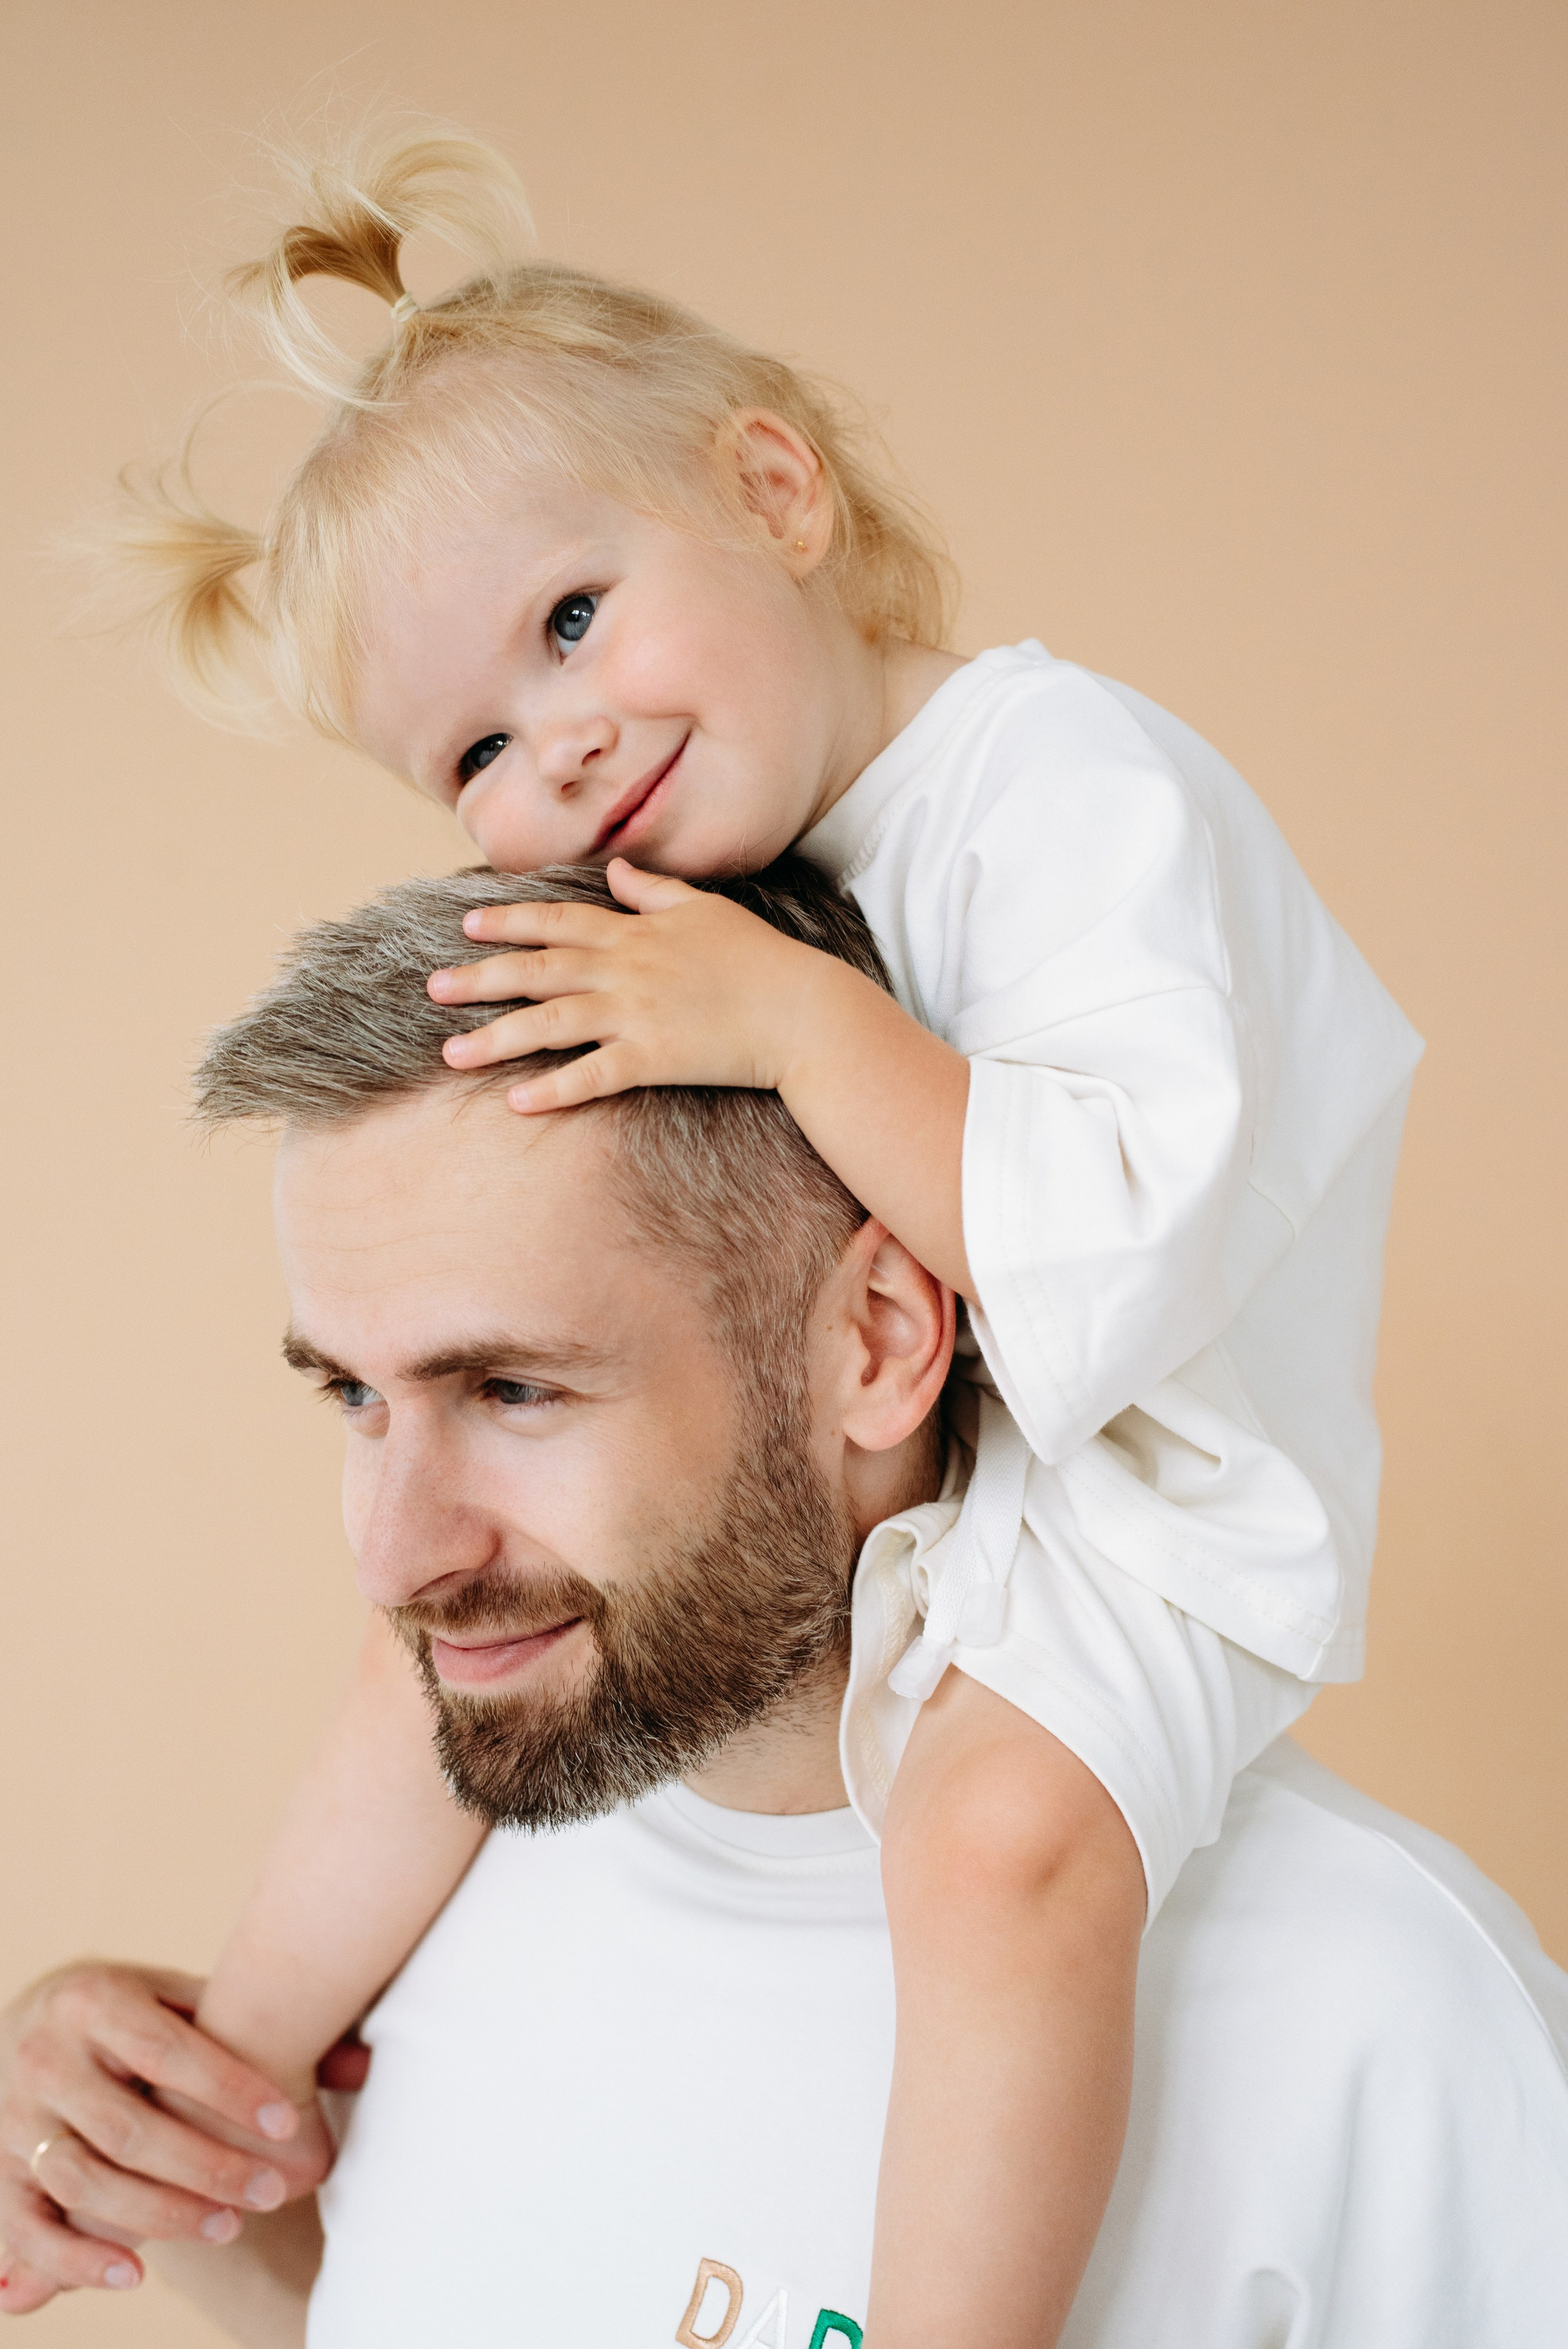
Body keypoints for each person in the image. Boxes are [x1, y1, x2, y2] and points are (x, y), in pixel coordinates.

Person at [88, 124, 1428, 2345]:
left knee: (993, 1848)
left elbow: (1118, 1236)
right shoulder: (761, 858)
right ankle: (211, 2086)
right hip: (969, 1461)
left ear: (779, 493)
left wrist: (789, 1021)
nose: (560, 747)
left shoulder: (1060, 781)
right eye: (476, 748)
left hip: (1150, 1486)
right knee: (440, 1642)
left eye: (574, 619)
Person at [2, 863, 1564, 2349]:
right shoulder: (433, 1855)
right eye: (354, 1394)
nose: (396, 1556)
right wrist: (133, 2133)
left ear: (874, 1340)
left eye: (515, 1389)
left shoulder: (1377, 2010)